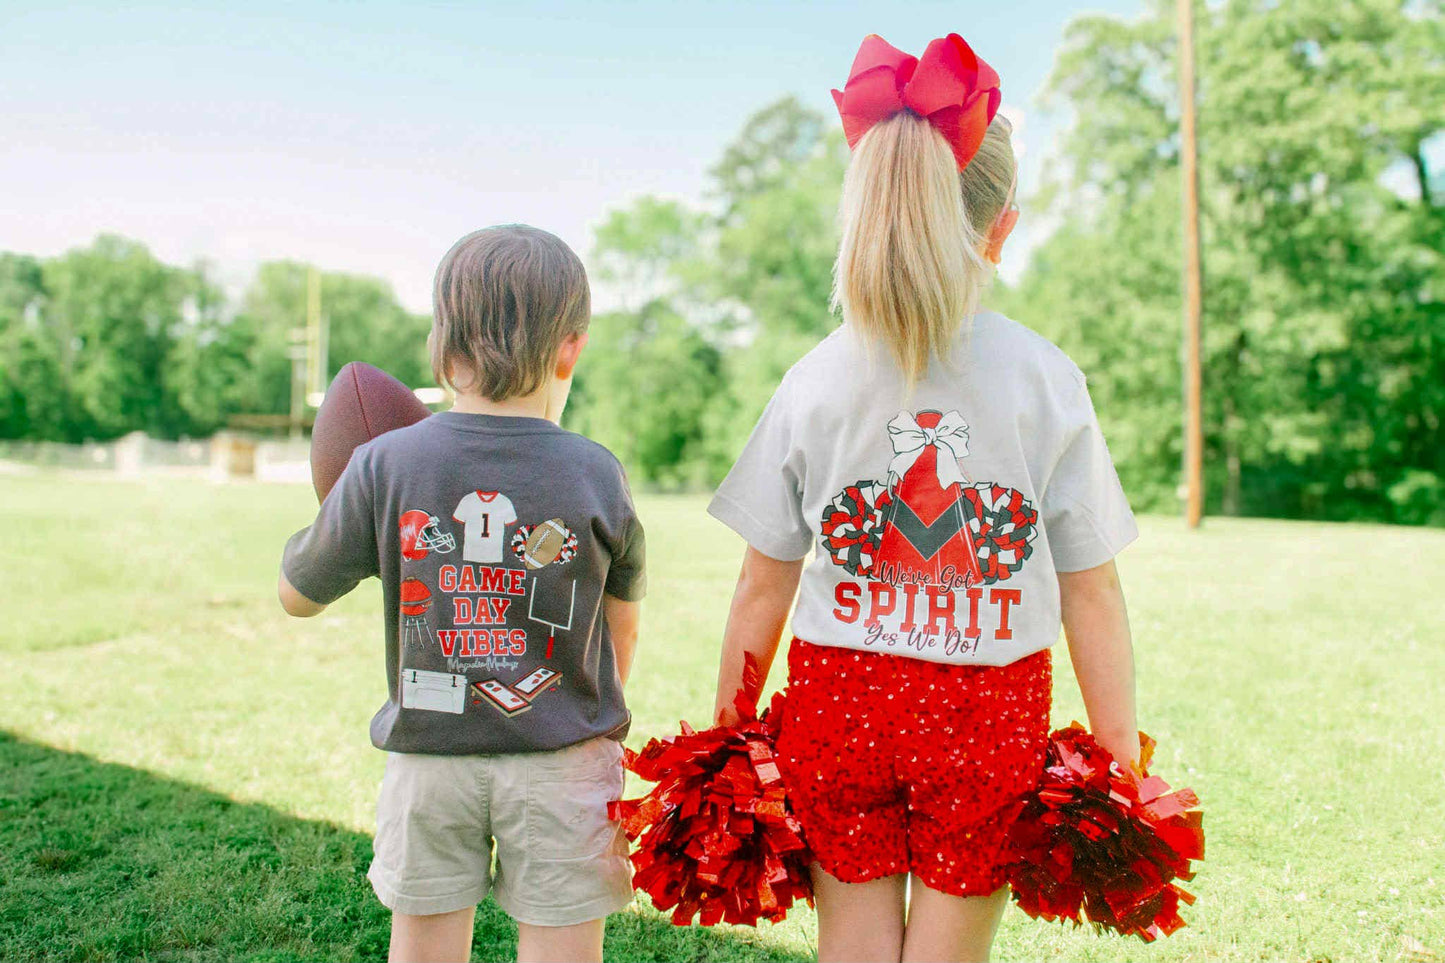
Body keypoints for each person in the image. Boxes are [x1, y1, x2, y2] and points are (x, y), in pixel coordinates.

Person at [708, 34, 1140, 963]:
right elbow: (1090, 588)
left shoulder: (814, 378)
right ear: (1001, 226)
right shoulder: (1045, 377)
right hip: (986, 717)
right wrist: (1117, 755)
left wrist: (727, 741)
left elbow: (759, 587)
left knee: (852, 947)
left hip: (837, 701)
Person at [278, 225, 646, 963]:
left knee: (422, 949)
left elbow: (298, 596)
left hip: (429, 758)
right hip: (562, 756)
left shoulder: (385, 462)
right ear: (571, 347)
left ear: (441, 347)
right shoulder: (594, 471)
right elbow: (620, 628)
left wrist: (344, 507)